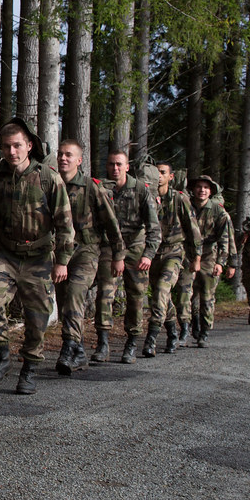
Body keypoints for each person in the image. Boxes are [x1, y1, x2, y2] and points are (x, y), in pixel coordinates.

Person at [0, 119, 74, 395]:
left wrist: (62, 261)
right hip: (6, 256)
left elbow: (65, 223)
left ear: (29, 146)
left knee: (37, 319)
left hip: (39, 258)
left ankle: (30, 368)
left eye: (17, 145)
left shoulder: (47, 177)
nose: (12, 152)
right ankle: (3, 355)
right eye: (7, 147)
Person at [54, 139, 124, 375]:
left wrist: (118, 256)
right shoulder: (51, 184)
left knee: (75, 295)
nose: (63, 158)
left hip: (87, 250)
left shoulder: (91, 187)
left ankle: (69, 346)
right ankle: (80, 352)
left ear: (79, 160)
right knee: (65, 303)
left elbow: (111, 224)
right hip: (60, 253)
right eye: (61, 154)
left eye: (69, 155)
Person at [92, 151, 160, 363]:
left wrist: (148, 255)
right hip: (110, 248)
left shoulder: (140, 190)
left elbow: (154, 228)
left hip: (135, 247)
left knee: (136, 296)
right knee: (105, 292)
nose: (115, 168)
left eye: (119, 164)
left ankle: (132, 341)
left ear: (127, 167)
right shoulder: (102, 188)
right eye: (111, 164)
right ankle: (103, 342)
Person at [141, 164, 201, 357]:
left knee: (161, 290)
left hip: (174, 253)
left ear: (171, 177)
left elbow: (192, 229)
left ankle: (151, 338)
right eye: (156, 172)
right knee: (161, 297)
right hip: (152, 254)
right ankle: (173, 332)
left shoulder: (179, 199)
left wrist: (196, 257)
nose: (159, 176)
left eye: (163, 173)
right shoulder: (147, 197)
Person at [186, 175, 232, 347]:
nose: (202, 190)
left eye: (206, 187)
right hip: (189, 254)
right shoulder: (187, 206)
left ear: (211, 191)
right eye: (199, 186)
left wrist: (221, 262)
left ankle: (204, 331)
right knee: (189, 294)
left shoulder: (218, 211)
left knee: (207, 295)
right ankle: (193, 325)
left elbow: (225, 239)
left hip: (209, 256)